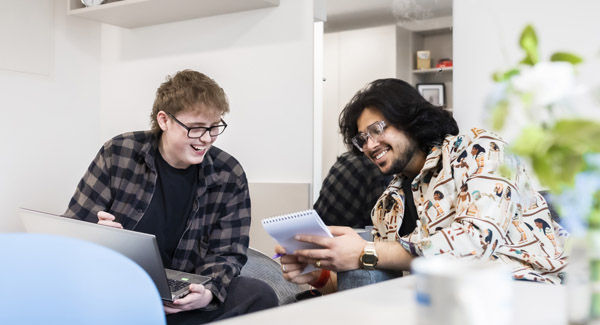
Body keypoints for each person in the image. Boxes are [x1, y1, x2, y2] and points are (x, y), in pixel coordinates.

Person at [277, 78, 567, 292]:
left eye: (377, 129)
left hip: (527, 287)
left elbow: (477, 242)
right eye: (362, 139)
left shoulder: (477, 148)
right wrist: (318, 275)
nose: (370, 145)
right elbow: (373, 276)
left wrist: (366, 250)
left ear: (409, 119)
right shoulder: (387, 206)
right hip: (445, 298)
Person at [64, 70, 278, 324]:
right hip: (118, 285)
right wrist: (94, 233)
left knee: (258, 294)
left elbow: (228, 252)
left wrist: (207, 294)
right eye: (196, 128)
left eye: (214, 127)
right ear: (164, 120)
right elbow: (73, 227)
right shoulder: (119, 152)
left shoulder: (228, 173)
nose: (206, 139)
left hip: (184, 293)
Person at [314, 151, 392, 228]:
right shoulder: (374, 172)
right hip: (338, 234)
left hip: (316, 225)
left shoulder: (348, 156)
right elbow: (381, 223)